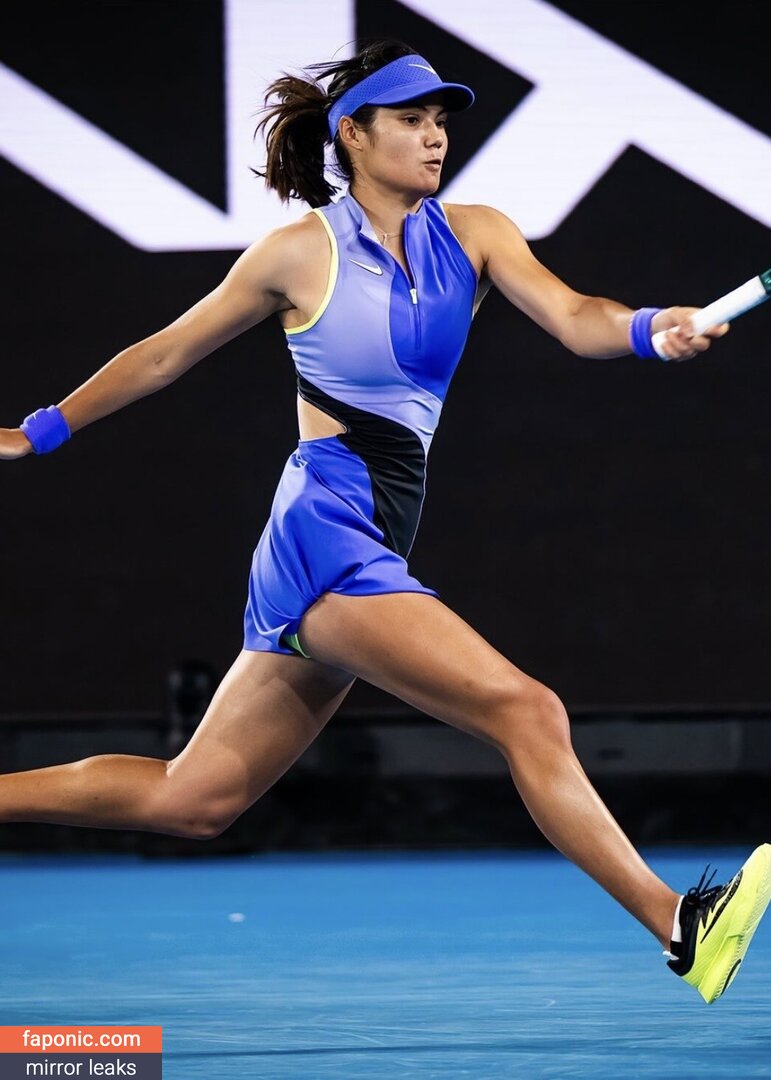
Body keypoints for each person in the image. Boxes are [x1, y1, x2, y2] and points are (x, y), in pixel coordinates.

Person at [0, 39, 768, 1005]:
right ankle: (678, 924)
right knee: (526, 710)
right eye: (411, 119)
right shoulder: (298, 253)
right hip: (325, 537)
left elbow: (577, 316)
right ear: (352, 136)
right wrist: (39, 432)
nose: (435, 136)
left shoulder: (477, 234)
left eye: (440, 120)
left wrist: (653, 328)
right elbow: (164, 354)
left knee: (194, 799)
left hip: (370, 540)